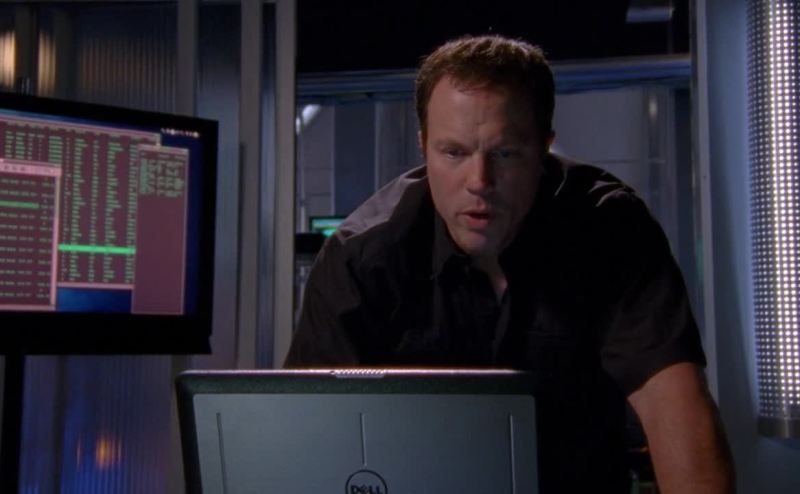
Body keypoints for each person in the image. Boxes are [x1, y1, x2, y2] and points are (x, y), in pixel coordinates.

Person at [285, 34, 734, 493]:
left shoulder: (609, 231)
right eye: (454, 152)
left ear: (544, 148)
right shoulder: (362, 259)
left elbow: (673, 405)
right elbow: (310, 435)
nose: (479, 181)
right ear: (423, 146)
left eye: (505, 153)